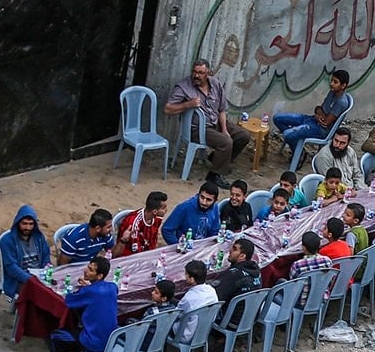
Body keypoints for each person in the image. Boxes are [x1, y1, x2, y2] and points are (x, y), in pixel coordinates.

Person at [163, 58, 251, 187]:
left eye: (201, 72)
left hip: (216, 123)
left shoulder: (215, 84)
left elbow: (221, 109)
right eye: (194, 72)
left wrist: (225, 129)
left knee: (243, 136)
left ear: (208, 73)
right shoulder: (183, 87)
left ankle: (217, 159)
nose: (197, 75)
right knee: (226, 142)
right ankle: (215, 175)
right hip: (197, 129)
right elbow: (168, 109)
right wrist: (188, 104)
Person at [44, 256, 117, 352]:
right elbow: (97, 293)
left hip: (93, 341)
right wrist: (89, 287)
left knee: (55, 336)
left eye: (90, 270)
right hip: (110, 340)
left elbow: (69, 301)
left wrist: (83, 289)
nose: (85, 270)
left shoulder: (89, 291)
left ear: (99, 276)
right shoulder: (112, 287)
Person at [272, 69, 352, 154]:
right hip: (312, 120)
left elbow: (325, 123)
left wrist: (318, 114)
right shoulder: (333, 92)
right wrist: (318, 113)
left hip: (321, 130)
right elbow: (319, 109)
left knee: (287, 135)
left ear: (343, 86)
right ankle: (297, 147)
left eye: (335, 82)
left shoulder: (341, 102)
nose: (331, 83)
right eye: (331, 80)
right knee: (277, 118)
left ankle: (298, 154)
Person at [1, 204, 51, 302]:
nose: (27, 227)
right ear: (18, 223)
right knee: (41, 297)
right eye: (24, 223)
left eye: (31, 224)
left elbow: (46, 258)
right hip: (18, 280)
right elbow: (11, 268)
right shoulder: (7, 240)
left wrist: (46, 272)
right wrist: (31, 280)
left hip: (38, 276)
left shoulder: (39, 238)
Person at [174, 260, 218, 344]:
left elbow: (176, 314)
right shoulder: (211, 291)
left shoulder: (189, 299)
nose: (185, 276)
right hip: (204, 332)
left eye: (186, 274)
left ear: (192, 279)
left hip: (185, 335)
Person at [211, 238, 261, 311]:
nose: (229, 251)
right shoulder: (257, 271)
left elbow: (215, 298)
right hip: (250, 317)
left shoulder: (233, 274)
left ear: (242, 256)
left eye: (234, 249)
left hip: (231, 319)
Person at [113, 191, 168, 256]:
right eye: (164, 208)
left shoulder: (157, 218)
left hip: (146, 254)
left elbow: (153, 241)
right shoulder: (134, 223)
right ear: (155, 211)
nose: (166, 210)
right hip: (129, 257)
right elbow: (135, 250)